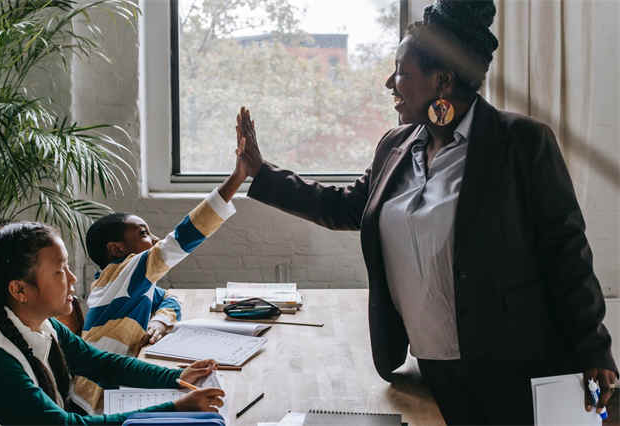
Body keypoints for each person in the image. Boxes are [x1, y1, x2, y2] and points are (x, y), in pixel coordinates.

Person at [234, 0, 618, 423]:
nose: (389, 83)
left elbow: (566, 252)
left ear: (443, 80)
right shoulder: (396, 147)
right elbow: (345, 207)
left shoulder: (521, 144)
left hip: (511, 370)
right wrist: (261, 174)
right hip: (428, 368)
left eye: (400, 71)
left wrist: (594, 346)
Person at [0, 221, 225, 424]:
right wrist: (173, 410)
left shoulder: (38, 321)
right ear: (19, 289)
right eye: (59, 271)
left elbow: (101, 364)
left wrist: (177, 376)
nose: (73, 278)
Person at [73, 159, 248, 412]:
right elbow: (181, 239)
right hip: (97, 399)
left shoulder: (124, 281)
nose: (154, 239)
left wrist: (160, 321)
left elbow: (169, 298)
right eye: (143, 234)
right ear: (117, 249)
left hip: (115, 383)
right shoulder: (123, 272)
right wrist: (236, 179)